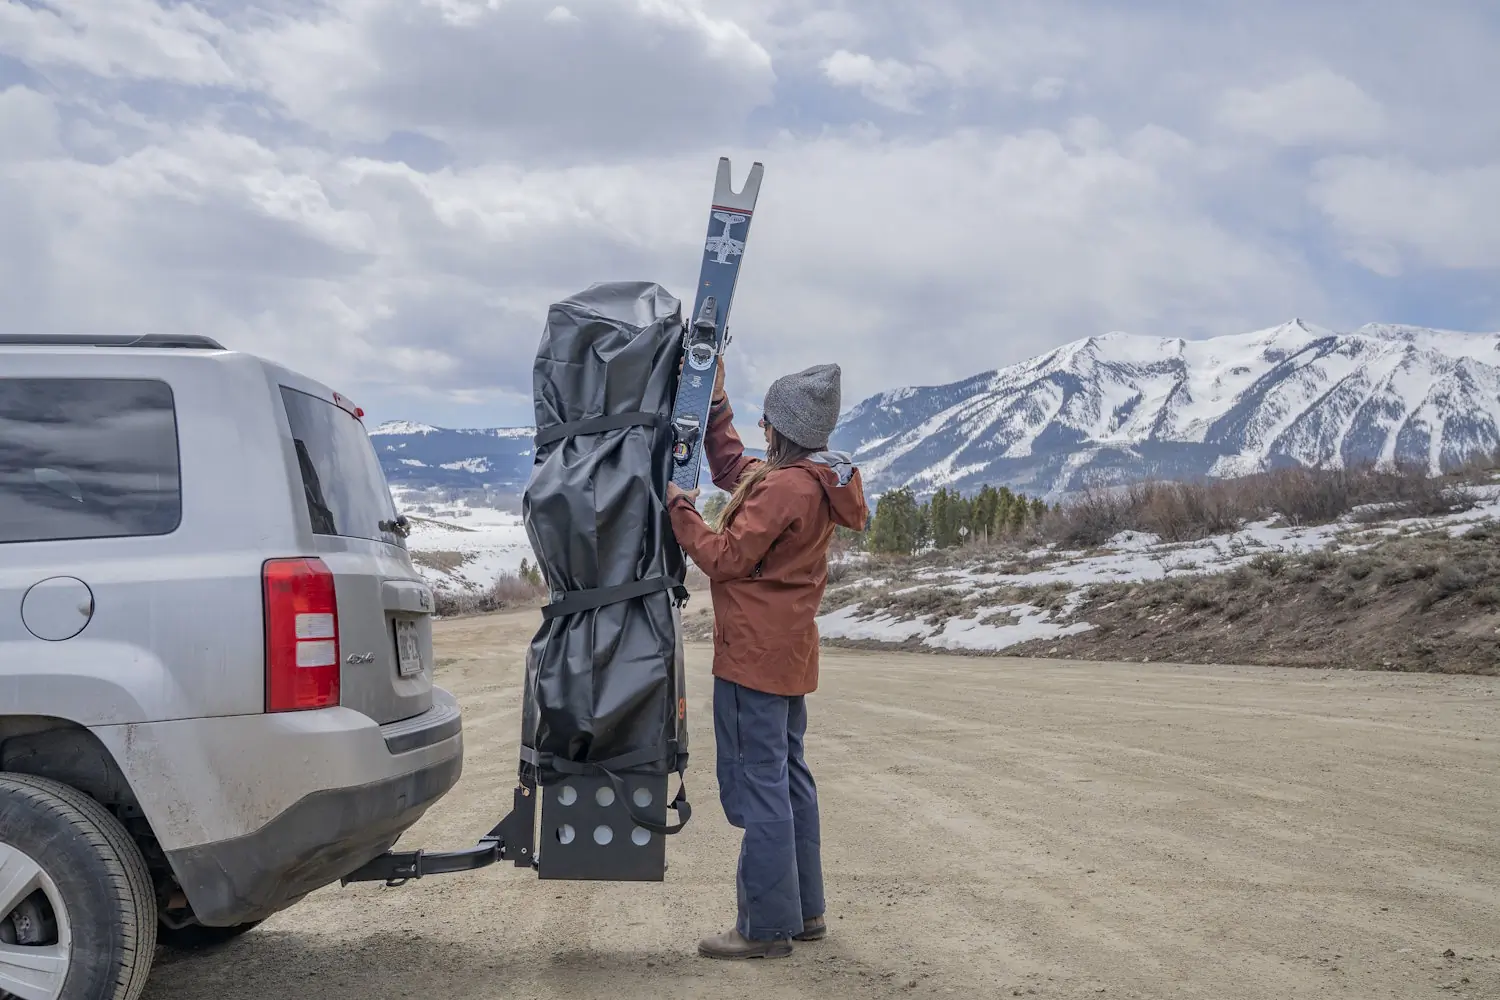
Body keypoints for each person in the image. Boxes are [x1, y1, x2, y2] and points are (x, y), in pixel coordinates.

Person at [665, 359, 869, 960]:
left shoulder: (784, 488)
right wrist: (716, 404)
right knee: (788, 779)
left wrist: (679, 509)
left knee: (761, 788)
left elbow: (724, 556)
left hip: (753, 656)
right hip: (786, 655)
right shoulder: (804, 479)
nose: (760, 427)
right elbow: (733, 466)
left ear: (784, 429)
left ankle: (763, 928)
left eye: (766, 421)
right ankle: (804, 912)